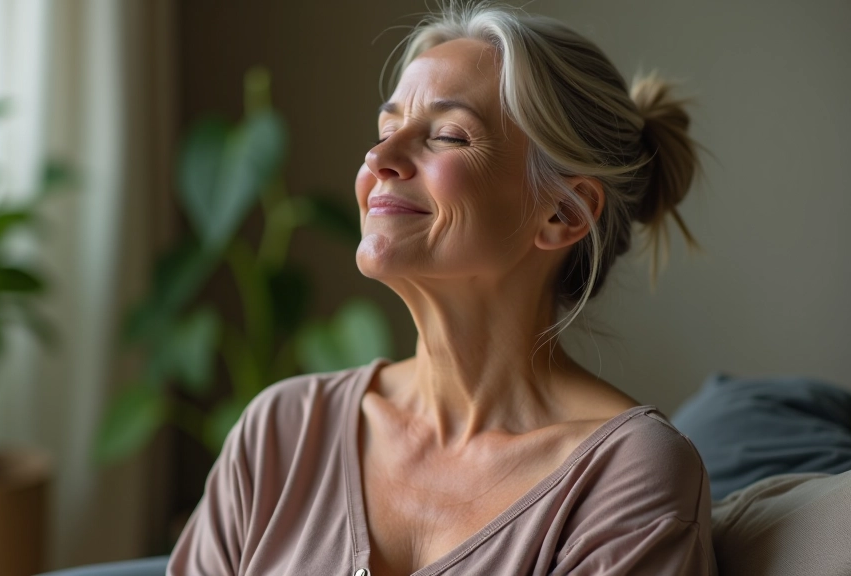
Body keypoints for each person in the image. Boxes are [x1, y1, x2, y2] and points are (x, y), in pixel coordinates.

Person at [168, 3, 715, 575]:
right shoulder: (281, 433)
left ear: (564, 211)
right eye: (386, 128)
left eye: (448, 136)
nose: (378, 158)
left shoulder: (627, 476)